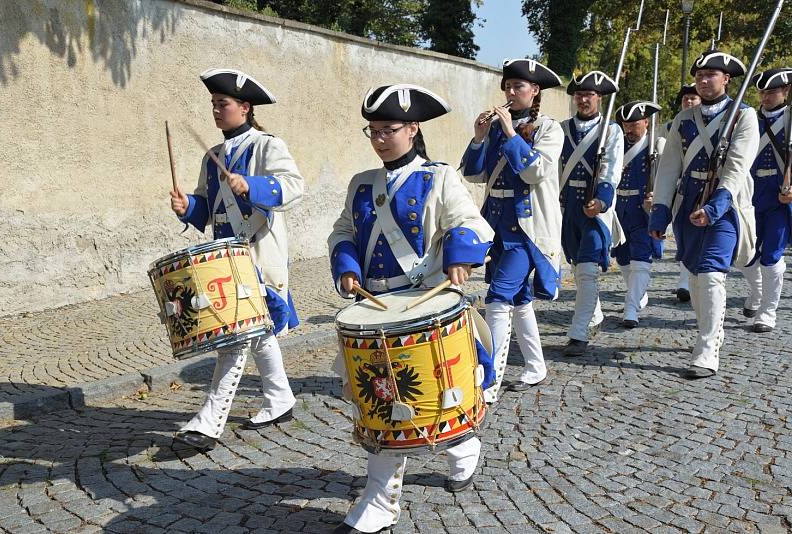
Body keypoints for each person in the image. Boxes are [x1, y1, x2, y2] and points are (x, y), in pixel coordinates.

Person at [328, 84, 494, 534]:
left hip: (423, 306)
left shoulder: (439, 177)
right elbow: (344, 230)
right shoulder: (361, 184)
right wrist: (346, 265)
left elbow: (470, 222)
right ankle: (380, 503)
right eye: (373, 131)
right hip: (377, 309)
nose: (380, 138)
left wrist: (459, 256)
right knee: (386, 401)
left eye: (389, 130)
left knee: (430, 400)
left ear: (413, 129)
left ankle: (461, 449)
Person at [169, 68, 303, 450]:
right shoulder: (212, 157)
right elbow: (206, 208)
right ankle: (280, 399)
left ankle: (209, 422)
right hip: (225, 259)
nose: (216, 111)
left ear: (244, 107)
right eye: (213, 104)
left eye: (222, 104)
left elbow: (294, 187)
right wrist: (186, 206)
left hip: (259, 253)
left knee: (235, 337)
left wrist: (253, 186)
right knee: (253, 332)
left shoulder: (267, 146)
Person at [649, 50, 759, 379]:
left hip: (725, 208)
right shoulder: (683, 120)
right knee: (695, 275)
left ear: (726, 79)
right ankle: (710, 329)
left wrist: (715, 208)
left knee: (711, 274)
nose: (704, 79)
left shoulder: (744, 116)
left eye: (712, 74)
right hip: (688, 205)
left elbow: (737, 168)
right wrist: (661, 212)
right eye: (700, 74)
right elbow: (669, 169)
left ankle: (708, 346)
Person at [460, 58, 563, 399]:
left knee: (498, 299)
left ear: (535, 92)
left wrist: (508, 133)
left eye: (518, 86)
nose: (510, 91)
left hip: (526, 228)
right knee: (519, 301)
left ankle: (490, 380)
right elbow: (474, 175)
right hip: (495, 221)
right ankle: (536, 366)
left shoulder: (550, 128)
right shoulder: (494, 128)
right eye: (507, 86)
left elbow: (535, 172)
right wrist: (478, 138)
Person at [559, 71, 624, 355]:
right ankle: (594, 313)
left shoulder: (611, 131)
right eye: (579, 95)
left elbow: (611, 169)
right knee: (576, 265)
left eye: (589, 95)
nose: (583, 100)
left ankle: (579, 332)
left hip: (595, 210)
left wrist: (601, 200)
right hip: (566, 208)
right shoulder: (560, 129)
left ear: (599, 98)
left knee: (586, 271)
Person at [741, 67, 792, 332]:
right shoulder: (749, 118)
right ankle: (756, 293)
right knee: (746, 254)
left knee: (771, 255)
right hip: (750, 192)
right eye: (762, 91)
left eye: (771, 91)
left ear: (785, 91)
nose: (766, 97)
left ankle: (768, 312)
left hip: (779, 195)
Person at [612, 101, 664, 328]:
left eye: (634, 124)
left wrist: (659, 197)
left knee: (641, 259)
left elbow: (670, 175)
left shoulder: (657, 145)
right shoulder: (616, 144)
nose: (629, 130)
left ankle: (631, 308)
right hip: (619, 207)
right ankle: (637, 293)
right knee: (623, 258)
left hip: (643, 209)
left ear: (645, 122)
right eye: (626, 124)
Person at [665, 84, 702, 303]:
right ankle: (685, 280)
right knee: (683, 238)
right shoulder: (672, 126)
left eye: (693, 99)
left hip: (702, 187)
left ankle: (689, 282)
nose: (689, 102)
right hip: (679, 188)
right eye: (686, 99)